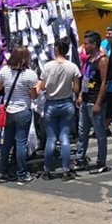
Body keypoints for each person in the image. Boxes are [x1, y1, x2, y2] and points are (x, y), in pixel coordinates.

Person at [0, 47, 38, 184]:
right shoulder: (30, 74)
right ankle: (22, 173)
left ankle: (4, 172)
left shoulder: (4, 71)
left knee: (6, 143)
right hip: (23, 110)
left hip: (8, 111)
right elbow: (33, 96)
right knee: (21, 143)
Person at [38, 38, 81, 181]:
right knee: (64, 138)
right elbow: (76, 88)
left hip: (51, 104)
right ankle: (65, 169)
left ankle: (47, 169)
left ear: (56, 49)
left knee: (51, 138)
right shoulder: (73, 67)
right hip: (67, 103)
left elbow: (42, 86)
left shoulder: (47, 66)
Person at [76, 30, 110, 173]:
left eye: (87, 44)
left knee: (99, 133)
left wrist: (98, 103)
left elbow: (104, 82)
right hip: (85, 100)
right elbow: (85, 79)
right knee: (82, 132)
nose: (84, 47)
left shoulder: (102, 60)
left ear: (94, 44)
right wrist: (80, 96)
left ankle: (101, 162)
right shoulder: (89, 59)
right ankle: (80, 159)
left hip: (95, 100)